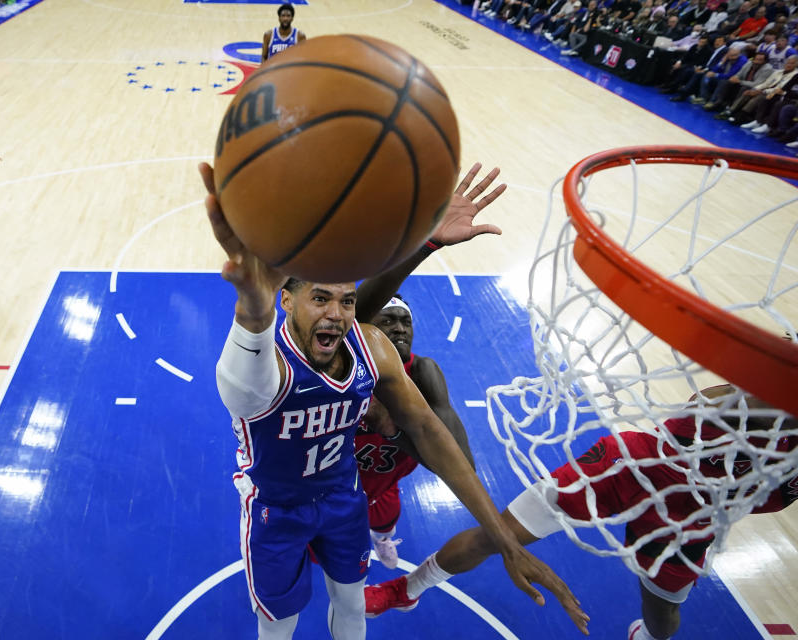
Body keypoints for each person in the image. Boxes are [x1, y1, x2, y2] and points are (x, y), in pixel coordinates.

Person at [204, 159, 587, 640]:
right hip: (276, 509)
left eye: (345, 302)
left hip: (344, 496)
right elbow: (242, 376)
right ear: (286, 301)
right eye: (320, 298)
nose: (337, 312)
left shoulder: (372, 346)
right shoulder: (264, 368)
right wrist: (250, 311)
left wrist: (505, 539)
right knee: (279, 624)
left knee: (351, 604)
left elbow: (431, 432)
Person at [363, 384, 797, 640]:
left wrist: (728, 500)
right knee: (496, 535)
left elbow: (774, 499)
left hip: (695, 512)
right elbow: (707, 404)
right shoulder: (748, 396)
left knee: (662, 615)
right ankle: (410, 588)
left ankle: (643, 637)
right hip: (634, 466)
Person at [352, 294, 477, 570]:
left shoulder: (423, 373)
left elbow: (461, 466)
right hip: (336, 483)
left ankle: (382, 538)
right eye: (388, 321)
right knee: (323, 548)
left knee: (385, 521)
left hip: (384, 481)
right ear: (367, 331)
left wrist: (392, 429)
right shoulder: (347, 369)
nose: (400, 328)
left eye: (406, 321)